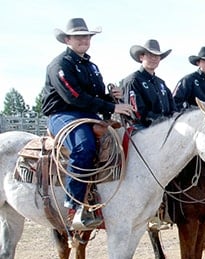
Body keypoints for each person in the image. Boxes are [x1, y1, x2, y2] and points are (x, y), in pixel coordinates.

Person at [43, 18, 134, 228]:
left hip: (87, 114)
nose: (83, 40)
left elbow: (92, 96)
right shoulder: (60, 65)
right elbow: (73, 97)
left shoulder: (91, 66)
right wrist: (112, 108)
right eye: (78, 37)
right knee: (84, 147)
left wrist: (110, 97)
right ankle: (74, 206)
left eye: (86, 36)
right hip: (63, 114)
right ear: (67, 39)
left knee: (121, 144)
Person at [121, 39, 175, 130]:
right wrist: (162, 121)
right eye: (150, 55)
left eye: (157, 56)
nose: (154, 59)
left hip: (165, 127)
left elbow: (173, 107)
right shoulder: (133, 80)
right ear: (141, 57)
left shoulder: (161, 83)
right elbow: (137, 113)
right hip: (142, 128)